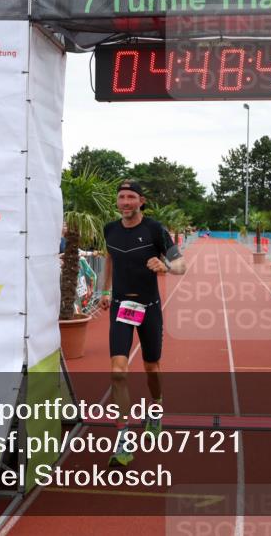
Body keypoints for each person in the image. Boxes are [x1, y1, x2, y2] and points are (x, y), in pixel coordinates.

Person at [99, 181, 186, 467]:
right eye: (121, 197)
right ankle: (123, 439)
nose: (125, 202)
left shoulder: (154, 230)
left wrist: (165, 266)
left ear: (141, 201)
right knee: (118, 372)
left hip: (149, 309)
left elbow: (181, 265)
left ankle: (156, 406)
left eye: (131, 197)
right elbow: (110, 259)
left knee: (152, 366)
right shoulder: (109, 229)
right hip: (121, 308)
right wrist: (105, 290)